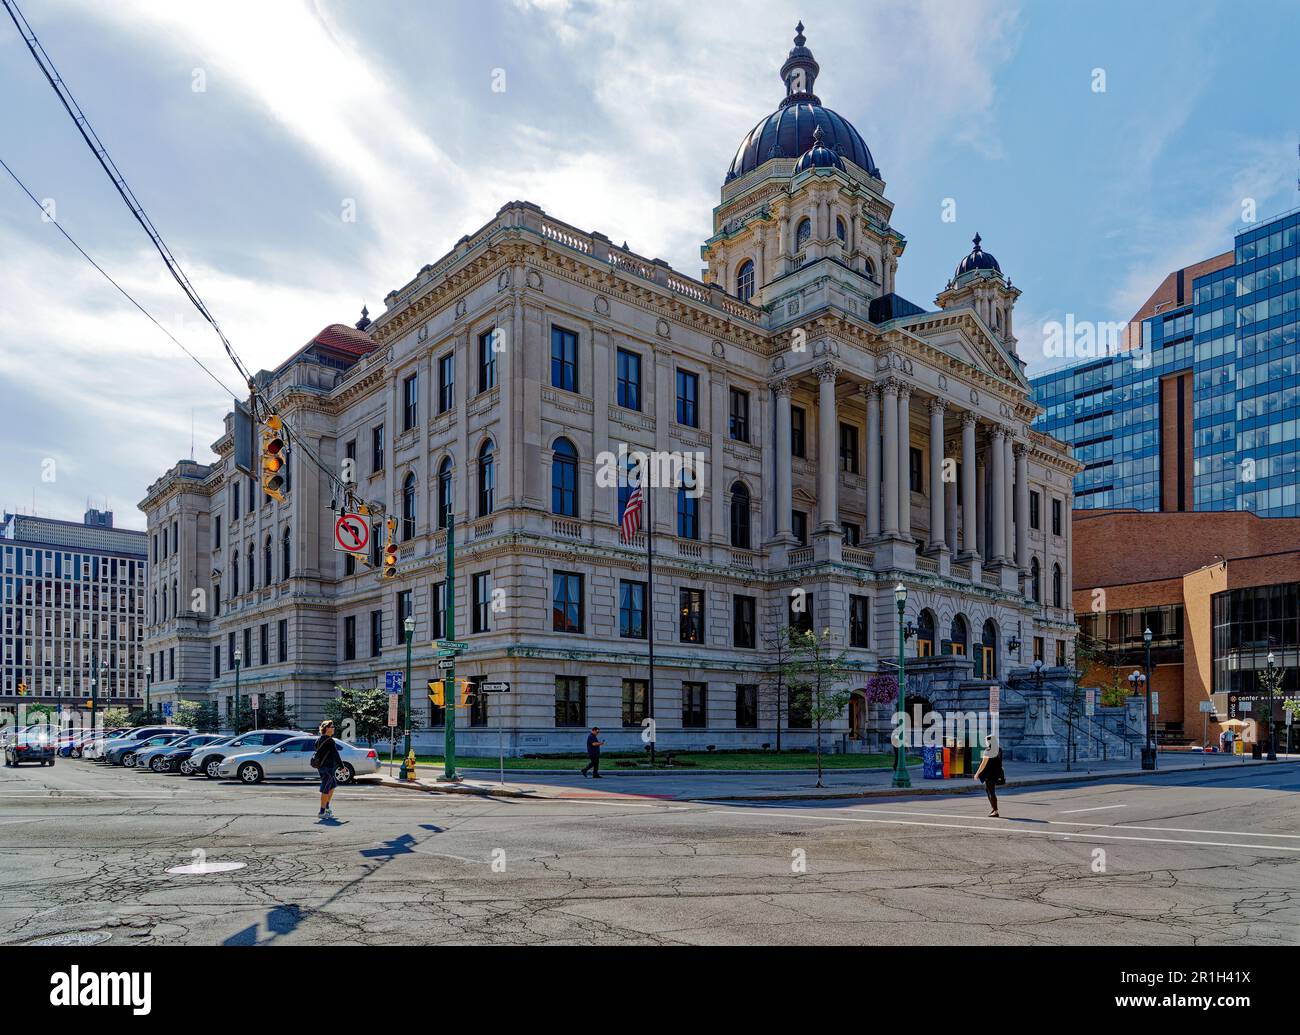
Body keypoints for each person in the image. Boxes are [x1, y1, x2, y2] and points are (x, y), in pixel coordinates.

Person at [313, 720, 343, 820]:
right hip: (326, 768)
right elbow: (336, 754)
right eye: (332, 726)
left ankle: (326, 807)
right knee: (325, 789)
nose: (333, 728)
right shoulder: (329, 740)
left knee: (333, 785)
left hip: (322, 768)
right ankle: (322, 812)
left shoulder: (318, 739)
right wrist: (342, 767)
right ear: (326, 728)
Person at [973, 733, 1004, 817]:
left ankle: (995, 810)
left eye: (986, 741)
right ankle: (994, 809)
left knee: (991, 792)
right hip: (997, 773)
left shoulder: (988, 750)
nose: (986, 742)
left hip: (989, 774)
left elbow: (983, 764)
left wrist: (977, 774)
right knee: (989, 791)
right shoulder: (999, 749)